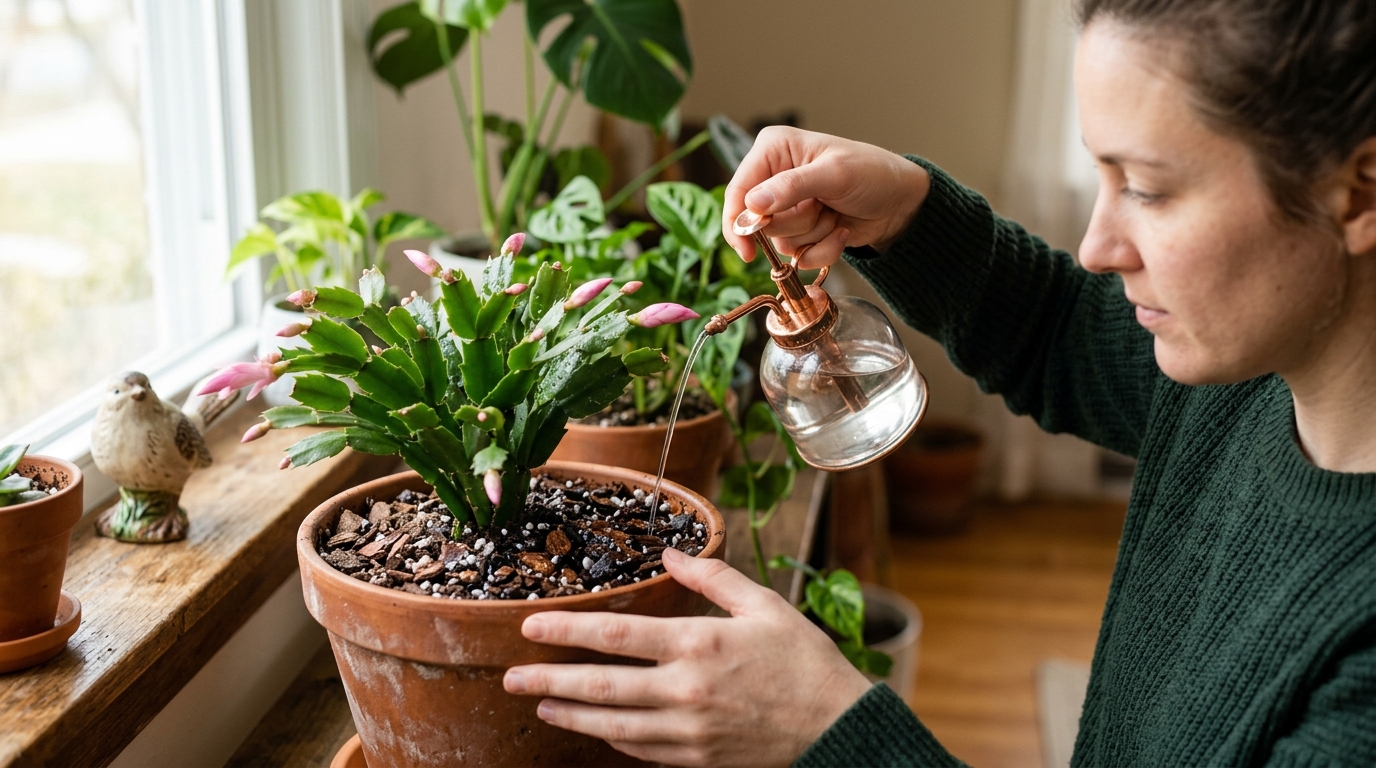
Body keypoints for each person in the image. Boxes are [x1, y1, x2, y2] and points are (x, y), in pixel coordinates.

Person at [502, 0, 1376, 764]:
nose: (1099, 247)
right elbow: (1065, 334)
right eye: (1100, 175)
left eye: (1146, 188)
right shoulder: (1244, 371)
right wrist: (910, 211)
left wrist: (830, 730)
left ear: (1359, 191)